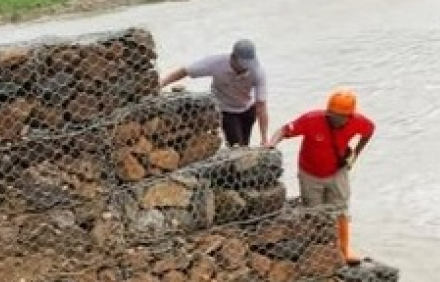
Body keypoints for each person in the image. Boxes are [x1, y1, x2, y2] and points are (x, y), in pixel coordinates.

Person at [265, 88, 375, 266]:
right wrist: (271, 143)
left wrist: (355, 154)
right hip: (310, 173)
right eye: (331, 114)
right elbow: (284, 130)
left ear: (349, 116)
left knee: (340, 209)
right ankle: (317, 248)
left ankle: (344, 249)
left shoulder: (359, 123)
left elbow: (369, 131)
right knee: (313, 211)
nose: (334, 118)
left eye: (339, 116)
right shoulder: (311, 120)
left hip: (337, 171)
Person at [159, 39, 269, 148]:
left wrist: (264, 138)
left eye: (249, 65)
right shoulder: (216, 63)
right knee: (236, 145)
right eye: (243, 65)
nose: (246, 68)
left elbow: (261, 106)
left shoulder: (257, 72)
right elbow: (185, 71)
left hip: (248, 110)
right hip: (226, 110)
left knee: (244, 145)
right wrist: (162, 83)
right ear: (233, 57)